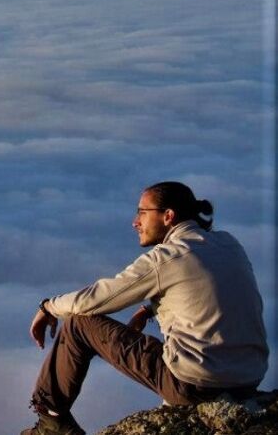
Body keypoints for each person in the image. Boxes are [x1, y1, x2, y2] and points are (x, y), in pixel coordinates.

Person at [21, 181, 269, 435]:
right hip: (249, 378)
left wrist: (48, 307)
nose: (135, 222)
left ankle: (51, 422)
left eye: (142, 212)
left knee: (78, 325)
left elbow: (93, 300)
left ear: (168, 216)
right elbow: (208, 287)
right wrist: (148, 310)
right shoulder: (229, 244)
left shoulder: (167, 257)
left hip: (195, 385)